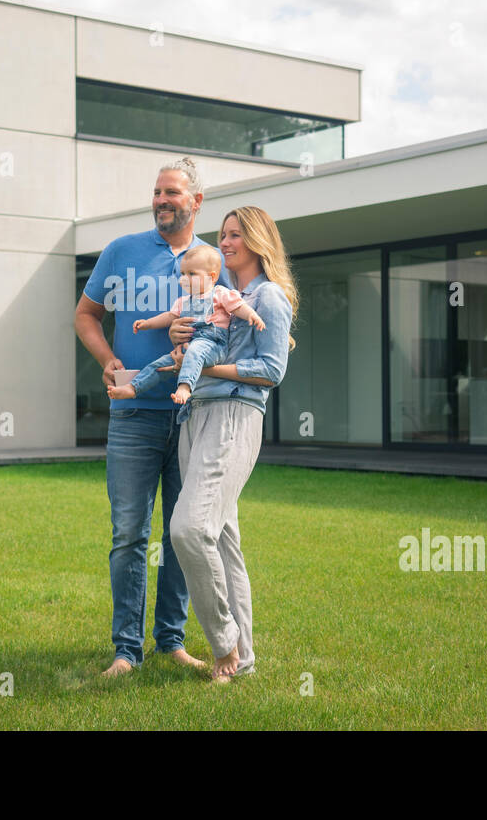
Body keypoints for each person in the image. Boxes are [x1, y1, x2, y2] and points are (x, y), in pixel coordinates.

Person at [74, 156, 236, 677]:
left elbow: (235, 326)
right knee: (128, 534)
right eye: (158, 192)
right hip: (133, 416)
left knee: (180, 534)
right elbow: (86, 315)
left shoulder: (216, 260)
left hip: (194, 415)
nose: (162, 200)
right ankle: (126, 650)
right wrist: (108, 360)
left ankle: (171, 640)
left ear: (196, 202)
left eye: (173, 193)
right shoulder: (122, 252)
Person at [164, 206, 296, 683]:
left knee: (188, 528)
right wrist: (182, 345)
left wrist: (203, 368)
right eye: (223, 234)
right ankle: (247, 661)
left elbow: (271, 370)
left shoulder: (268, 296)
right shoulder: (219, 297)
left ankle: (226, 645)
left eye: (236, 235)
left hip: (234, 416)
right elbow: (199, 345)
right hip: (195, 415)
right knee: (221, 540)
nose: (226, 242)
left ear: (258, 240)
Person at [106, 244, 265, 404]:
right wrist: (147, 323)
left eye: (192, 274)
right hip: (189, 346)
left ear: (212, 276)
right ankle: (133, 387)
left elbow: (238, 307)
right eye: (183, 274)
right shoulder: (183, 301)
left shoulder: (219, 293)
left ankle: (185, 387)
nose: (184, 279)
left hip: (213, 345)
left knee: (195, 351)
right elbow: (169, 317)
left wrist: (252, 315)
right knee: (161, 364)